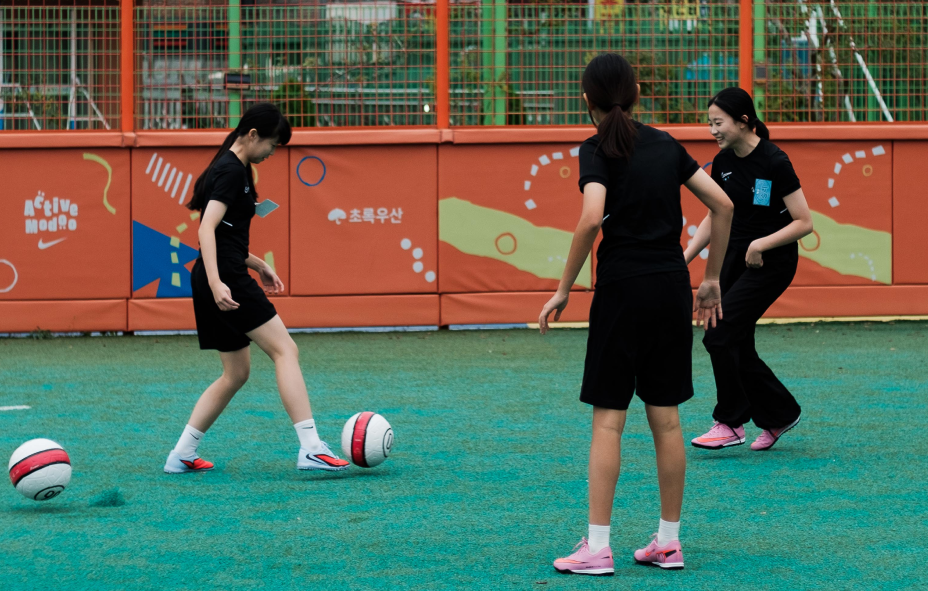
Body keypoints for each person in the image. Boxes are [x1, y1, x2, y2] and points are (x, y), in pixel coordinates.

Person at [540, 54, 733, 575]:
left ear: (587, 101)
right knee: (667, 421)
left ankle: (597, 548)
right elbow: (724, 207)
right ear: (639, 92)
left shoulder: (595, 149)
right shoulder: (667, 145)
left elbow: (588, 219)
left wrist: (563, 290)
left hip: (621, 292)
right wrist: (710, 279)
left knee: (608, 421)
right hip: (671, 288)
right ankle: (668, 543)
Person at [164, 103, 349, 474]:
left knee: (236, 374)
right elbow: (205, 230)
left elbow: (226, 234)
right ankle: (311, 447)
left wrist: (258, 263)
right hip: (223, 279)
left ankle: (181, 454)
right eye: (272, 145)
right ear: (252, 136)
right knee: (286, 350)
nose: (272, 152)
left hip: (219, 273)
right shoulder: (231, 170)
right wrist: (219, 282)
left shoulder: (236, 167)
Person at [687, 87, 813, 452]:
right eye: (709, 123)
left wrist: (761, 244)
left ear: (744, 121)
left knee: (719, 334)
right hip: (734, 258)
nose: (712, 130)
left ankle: (730, 421)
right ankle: (779, 414)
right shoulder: (723, 161)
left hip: (771, 263)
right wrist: (686, 255)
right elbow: (716, 213)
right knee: (734, 340)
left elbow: (804, 222)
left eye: (718, 122)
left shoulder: (775, 162)